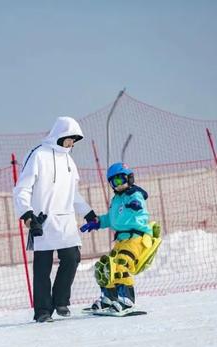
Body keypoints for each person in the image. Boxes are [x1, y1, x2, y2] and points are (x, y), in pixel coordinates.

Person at [13, 116, 97, 323]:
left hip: (66, 221)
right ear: (59, 135)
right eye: (70, 138)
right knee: (43, 266)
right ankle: (42, 311)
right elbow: (22, 187)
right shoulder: (38, 155)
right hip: (42, 220)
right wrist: (27, 214)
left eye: (75, 140)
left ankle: (60, 301)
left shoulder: (69, 160)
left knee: (72, 258)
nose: (72, 143)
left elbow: (73, 193)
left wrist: (87, 212)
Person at [80, 162, 162, 313]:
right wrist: (97, 223)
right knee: (106, 267)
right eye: (114, 182)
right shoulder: (116, 200)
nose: (118, 184)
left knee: (121, 264)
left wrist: (135, 204)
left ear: (129, 178)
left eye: (120, 180)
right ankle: (109, 299)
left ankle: (127, 301)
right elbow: (112, 220)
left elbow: (138, 203)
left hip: (135, 238)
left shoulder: (134, 194)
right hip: (121, 240)